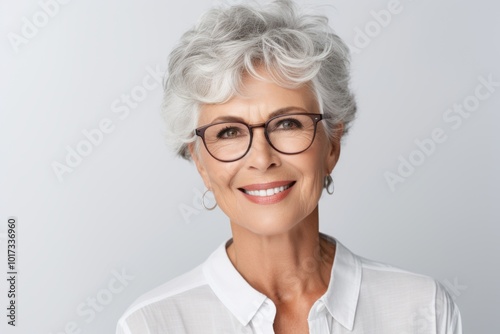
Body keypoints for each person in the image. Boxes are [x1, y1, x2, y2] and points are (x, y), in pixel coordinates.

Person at [116, 0, 462, 333]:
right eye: (229, 131)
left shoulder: (423, 311)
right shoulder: (150, 326)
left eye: (287, 124)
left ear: (332, 145)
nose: (262, 158)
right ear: (201, 164)